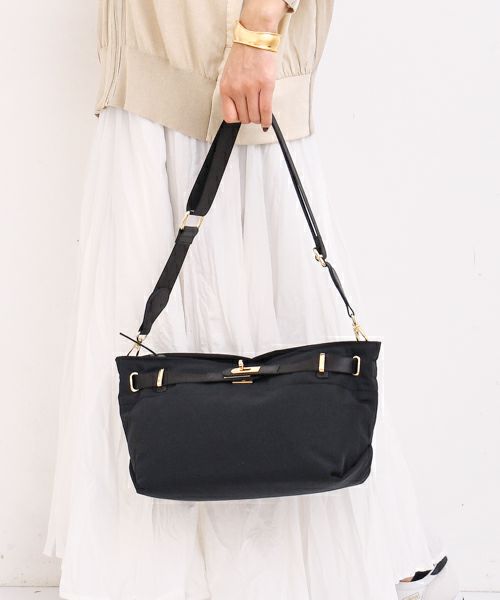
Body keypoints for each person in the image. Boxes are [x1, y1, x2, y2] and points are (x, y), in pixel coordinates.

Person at [44, 1, 460, 599]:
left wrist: (257, 33)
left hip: (216, 62)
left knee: (276, 321)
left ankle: (332, 550)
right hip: (155, 66)